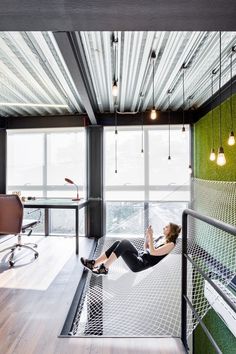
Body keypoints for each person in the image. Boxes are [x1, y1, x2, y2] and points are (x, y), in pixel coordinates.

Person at [81, 223, 181, 276]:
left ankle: (104, 268)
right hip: (140, 256)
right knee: (118, 243)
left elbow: (154, 253)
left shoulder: (171, 244)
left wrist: (151, 236)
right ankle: (94, 263)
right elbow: (147, 249)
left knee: (124, 243)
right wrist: (147, 237)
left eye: (166, 227)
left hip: (140, 264)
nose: (164, 227)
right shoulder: (160, 238)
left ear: (171, 231)